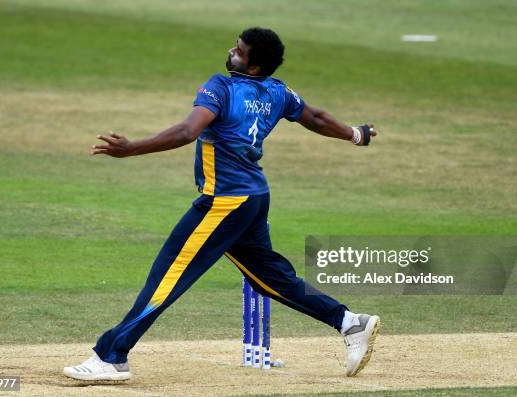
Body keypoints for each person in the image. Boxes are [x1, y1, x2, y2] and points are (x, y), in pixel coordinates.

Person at [63, 27, 379, 381]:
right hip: (254, 199)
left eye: (240, 51)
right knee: (271, 278)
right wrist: (356, 133)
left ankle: (111, 356)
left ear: (254, 66)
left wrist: (132, 148)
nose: (232, 51)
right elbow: (316, 117)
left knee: (168, 276)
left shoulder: (221, 86)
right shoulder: (278, 91)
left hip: (225, 202)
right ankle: (350, 323)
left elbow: (187, 132)